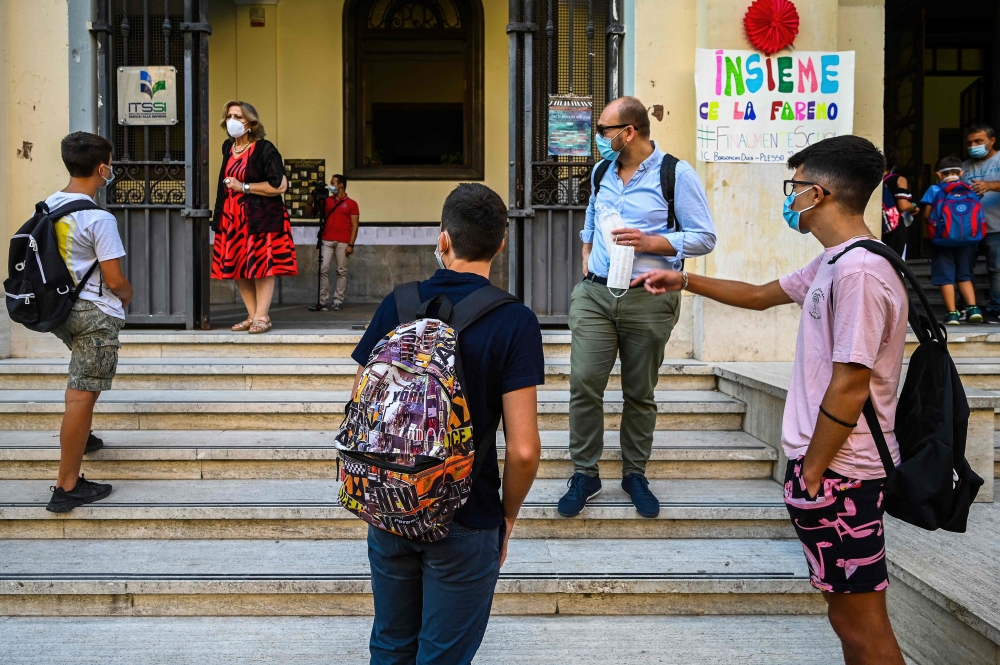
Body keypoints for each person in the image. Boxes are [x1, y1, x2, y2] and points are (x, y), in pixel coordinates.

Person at [633, 135, 906, 665]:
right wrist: (683, 279)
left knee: (862, 625)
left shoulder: (860, 272)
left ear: (819, 194)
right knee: (846, 618)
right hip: (828, 469)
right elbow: (760, 295)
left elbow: (851, 383)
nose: (790, 198)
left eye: (794, 187)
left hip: (841, 473)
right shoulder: (835, 262)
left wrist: (814, 471)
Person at [350, 183, 543, 665]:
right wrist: (507, 516)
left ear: (443, 240)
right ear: (501, 244)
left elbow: (361, 403)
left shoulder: (398, 303)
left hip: (391, 502)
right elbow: (523, 450)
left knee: (390, 645)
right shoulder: (514, 320)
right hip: (467, 512)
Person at [558, 96, 716, 519]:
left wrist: (652, 243)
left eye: (604, 130)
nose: (598, 139)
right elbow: (593, 214)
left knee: (639, 392)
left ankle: (634, 474)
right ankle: (585, 474)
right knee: (584, 383)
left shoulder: (675, 174)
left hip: (649, 296)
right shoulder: (601, 171)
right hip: (595, 294)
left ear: (628, 132)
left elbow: (704, 237)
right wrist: (587, 257)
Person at [45, 132, 134, 513]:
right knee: (81, 394)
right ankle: (67, 487)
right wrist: (127, 297)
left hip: (61, 313)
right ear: (102, 168)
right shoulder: (98, 217)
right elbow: (114, 280)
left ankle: (83, 437)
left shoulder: (47, 206)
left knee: (82, 390)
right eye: (110, 165)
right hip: (94, 315)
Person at [211, 100, 297, 334]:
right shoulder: (227, 148)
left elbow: (280, 186)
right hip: (232, 218)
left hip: (260, 217)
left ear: (251, 122)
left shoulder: (264, 148)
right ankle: (252, 314)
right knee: (238, 267)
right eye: (229, 116)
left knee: (262, 266)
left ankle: (262, 316)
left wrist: (244, 187)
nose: (232, 121)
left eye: (238, 116)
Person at [919, 155, 983, 324]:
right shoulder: (968, 188)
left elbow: (927, 215)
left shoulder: (934, 190)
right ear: (961, 172)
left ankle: (952, 313)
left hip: (942, 240)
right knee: (964, 275)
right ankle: (973, 309)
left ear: (938, 174)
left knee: (946, 277)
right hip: (967, 240)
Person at [962, 124, 1000, 323]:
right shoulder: (965, 166)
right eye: (969, 143)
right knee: (965, 269)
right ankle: (969, 308)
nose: (973, 145)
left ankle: (996, 309)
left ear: (992, 141)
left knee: (997, 269)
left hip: (997, 225)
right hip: (968, 228)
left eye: (978, 141)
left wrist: (990, 185)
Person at [306, 173, 359, 312]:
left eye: (333, 183)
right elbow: (310, 213)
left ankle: (338, 300)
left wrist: (351, 244)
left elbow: (355, 226)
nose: (331, 186)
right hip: (326, 239)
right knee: (323, 268)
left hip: (343, 241)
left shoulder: (352, 204)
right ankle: (322, 301)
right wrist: (311, 199)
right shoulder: (326, 201)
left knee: (341, 270)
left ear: (341, 185)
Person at [880, 149, 914, 257]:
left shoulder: (873, 179)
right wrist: (913, 207)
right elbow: (903, 205)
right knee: (896, 264)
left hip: (879, 224)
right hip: (895, 227)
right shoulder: (899, 180)